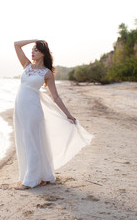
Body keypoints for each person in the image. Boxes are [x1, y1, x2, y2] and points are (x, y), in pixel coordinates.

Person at [13, 39, 93, 190]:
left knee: (32, 142)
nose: (32, 52)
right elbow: (16, 44)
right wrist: (34, 40)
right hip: (19, 109)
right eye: (33, 49)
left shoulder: (47, 73)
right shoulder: (26, 65)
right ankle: (39, 176)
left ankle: (30, 181)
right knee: (24, 141)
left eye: (36, 49)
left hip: (33, 109)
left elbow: (55, 97)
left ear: (43, 53)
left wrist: (68, 114)